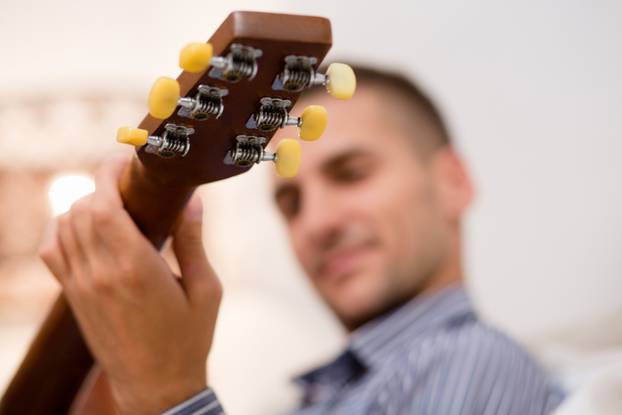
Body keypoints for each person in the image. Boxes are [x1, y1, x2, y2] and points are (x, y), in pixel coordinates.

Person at [39, 65, 565, 415]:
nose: (316, 223)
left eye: (351, 173)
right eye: (290, 203)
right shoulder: (316, 397)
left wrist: (167, 391)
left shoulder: (472, 360)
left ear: (454, 182)